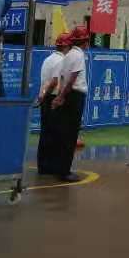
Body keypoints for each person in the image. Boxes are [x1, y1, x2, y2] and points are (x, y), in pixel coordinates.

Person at [47, 27, 88, 182]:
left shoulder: (69, 55)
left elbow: (63, 79)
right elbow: (72, 80)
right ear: (85, 41)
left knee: (64, 133)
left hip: (68, 95)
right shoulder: (78, 55)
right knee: (70, 135)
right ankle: (65, 171)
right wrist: (62, 96)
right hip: (74, 96)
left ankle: (60, 168)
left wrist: (59, 97)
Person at [35, 32, 70, 176]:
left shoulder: (48, 59)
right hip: (52, 98)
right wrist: (47, 97)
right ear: (66, 46)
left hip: (45, 97)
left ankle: (43, 165)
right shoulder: (61, 61)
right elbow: (54, 82)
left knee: (45, 132)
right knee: (54, 133)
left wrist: (42, 97)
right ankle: (51, 166)